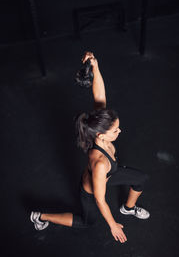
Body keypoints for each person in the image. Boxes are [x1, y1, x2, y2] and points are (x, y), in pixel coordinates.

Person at [30, 52, 150, 243]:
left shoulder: (98, 124)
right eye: (116, 131)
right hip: (93, 189)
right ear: (102, 135)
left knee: (141, 179)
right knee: (88, 222)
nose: (120, 132)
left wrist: (95, 66)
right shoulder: (100, 163)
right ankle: (40, 216)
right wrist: (112, 225)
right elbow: (100, 199)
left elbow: (100, 94)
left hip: (110, 174)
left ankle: (127, 208)